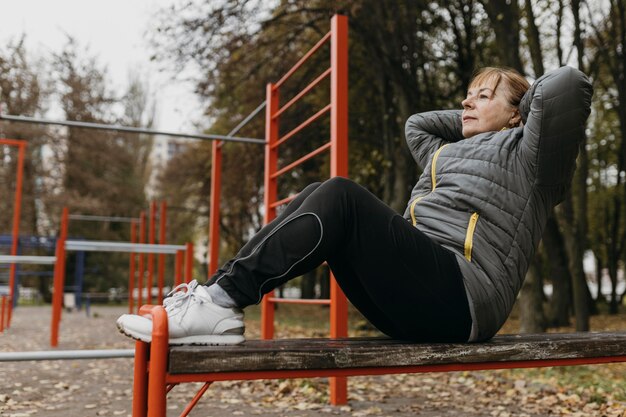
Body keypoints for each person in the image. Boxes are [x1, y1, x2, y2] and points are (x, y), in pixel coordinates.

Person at [117, 65, 592, 345]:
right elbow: (417, 125)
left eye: (482, 97)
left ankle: (220, 302)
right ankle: (216, 296)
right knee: (319, 196)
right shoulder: (441, 151)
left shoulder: (533, 160)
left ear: (519, 113)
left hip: (463, 296)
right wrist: (482, 109)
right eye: (464, 97)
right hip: (413, 297)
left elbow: (567, 84)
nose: (466, 104)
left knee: (341, 195)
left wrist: (521, 109)